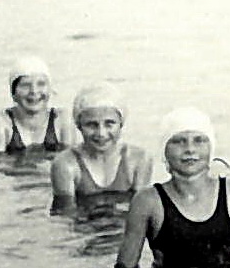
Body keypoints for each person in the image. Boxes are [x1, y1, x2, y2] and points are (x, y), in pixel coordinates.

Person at [115, 107, 230, 268]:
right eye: (179, 141)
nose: (190, 149)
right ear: (164, 150)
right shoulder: (148, 201)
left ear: (212, 147)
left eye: (199, 140)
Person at [50, 85, 153, 215]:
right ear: (79, 126)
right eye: (91, 125)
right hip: (84, 225)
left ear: (121, 124)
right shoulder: (65, 164)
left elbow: (142, 213)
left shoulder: (138, 160)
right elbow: (65, 215)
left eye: (109, 124)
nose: (101, 133)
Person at [0, 56, 68, 158]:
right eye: (25, 85)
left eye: (41, 84)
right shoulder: (2, 122)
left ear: (50, 90)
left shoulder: (61, 120)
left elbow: (72, 162)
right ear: (13, 93)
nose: (34, 91)